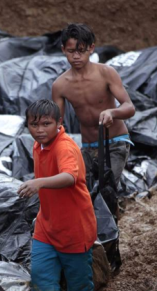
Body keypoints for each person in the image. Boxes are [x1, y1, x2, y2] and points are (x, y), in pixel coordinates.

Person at [17, 99, 97, 291]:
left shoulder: (64, 147)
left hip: (74, 227)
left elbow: (70, 177)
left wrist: (38, 183)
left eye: (46, 124)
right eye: (34, 124)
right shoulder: (37, 146)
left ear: (59, 123)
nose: (40, 130)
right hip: (47, 224)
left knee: (79, 285)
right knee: (41, 277)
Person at [52, 23, 135, 187]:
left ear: (91, 48)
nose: (76, 56)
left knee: (107, 189)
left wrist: (112, 113)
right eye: (71, 51)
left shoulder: (106, 73)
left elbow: (129, 107)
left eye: (81, 51)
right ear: (63, 50)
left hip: (115, 141)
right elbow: (57, 124)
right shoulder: (60, 85)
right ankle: (113, 210)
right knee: (85, 191)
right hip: (88, 147)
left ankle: (112, 209)